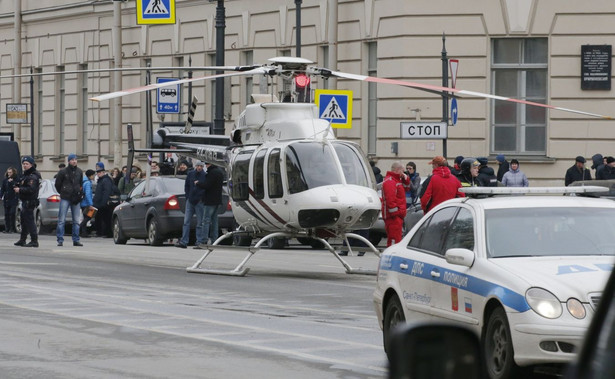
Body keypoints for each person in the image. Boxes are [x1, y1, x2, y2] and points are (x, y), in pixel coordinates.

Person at [175, 161, 207, 249]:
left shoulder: (205, 175)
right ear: (195, 166)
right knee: (186, 222)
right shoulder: (191, 174)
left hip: (199, 201)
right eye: (198, 166)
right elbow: (187, 186)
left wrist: (201, 198)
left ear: (203, 167)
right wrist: (187, 196)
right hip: (190, 200)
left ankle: (199, 241)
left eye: (201, 166)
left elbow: (205, 188)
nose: (199, 167)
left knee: (199, 223)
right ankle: (184, 241)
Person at [54, 153, 83, 247]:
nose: (74, 161)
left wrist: (79, 192)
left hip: (75, 197)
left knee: (76, 221)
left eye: (75, 159)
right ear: (69, 161)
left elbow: (80, 184)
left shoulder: (79, 171)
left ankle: (76, 239)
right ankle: (60, 239)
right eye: (72, 160)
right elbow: (57, 184)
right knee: (62, 219)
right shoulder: (63, 172)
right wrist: (63, 192)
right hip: (65, 197)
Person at [381, 161, 411, 247]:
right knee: (394, 240)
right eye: (403, 171)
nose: (403, 173)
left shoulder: (396, 180)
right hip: (393, 217)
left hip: (396, 215)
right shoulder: (390, 181)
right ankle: (392, 257)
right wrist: (397, 213)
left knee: (395, 239)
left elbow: (407, 188)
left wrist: (405, 178)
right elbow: (390, 200)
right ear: (398, 170)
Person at [14, 156, 41, 247]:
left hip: (30, 201)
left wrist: (20, 190)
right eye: (24, 164)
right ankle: (23, 239)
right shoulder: (25, 175)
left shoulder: (33, 176)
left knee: (29, 221)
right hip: (24, 200)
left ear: (31, 165)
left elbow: (31, 189)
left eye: (27, 164)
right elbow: (21, 183)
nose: (25, 166)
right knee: (23, 221)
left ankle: (34, 240)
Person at [196, 162, 224, 245]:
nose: (205, 166)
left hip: (210, 200)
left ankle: (203, 240)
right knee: (215, 221)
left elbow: (207, 185)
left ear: (209, 165)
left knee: (206, 220)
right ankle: (214, 240)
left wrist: (198, 183)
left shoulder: (211, 173)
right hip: (217, 199)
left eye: (206, 164)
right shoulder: (219, 172)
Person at [93, 165, 114, 238]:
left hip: (103, 203)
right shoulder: (101, 180)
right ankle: (101, 232)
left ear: (103, 172)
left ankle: (107, 233)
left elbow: (106, 192)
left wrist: (103, 202)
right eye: (97, 173)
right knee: (99, 218)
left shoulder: (105, 180)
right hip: (99, 203)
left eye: (99, 172)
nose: (98, 174)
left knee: (106, 218)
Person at [1, 166, 19, 233]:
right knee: (6, 214)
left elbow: (17, 186)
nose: (9, 174)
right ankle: (7, 228)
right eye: (8, 172)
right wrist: (1, 196)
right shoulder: (5, 180)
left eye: (10, 172)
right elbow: (3, 189)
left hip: (13, 199)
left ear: (13, 172)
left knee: (12, 213)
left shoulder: (16, 179)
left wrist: (12, 182)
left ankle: (12, 228)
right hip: (6, 199)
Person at [80, 169, 96, 237]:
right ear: (90, 175)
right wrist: (90, 204)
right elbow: (88, 194)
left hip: (82, 203)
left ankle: (84, 233)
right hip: (86, 203)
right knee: (89, 217)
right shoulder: (87, 183)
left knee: (85, 217)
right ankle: (80, 228)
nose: (94, 176)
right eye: (93, 175)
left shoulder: (83, 181)